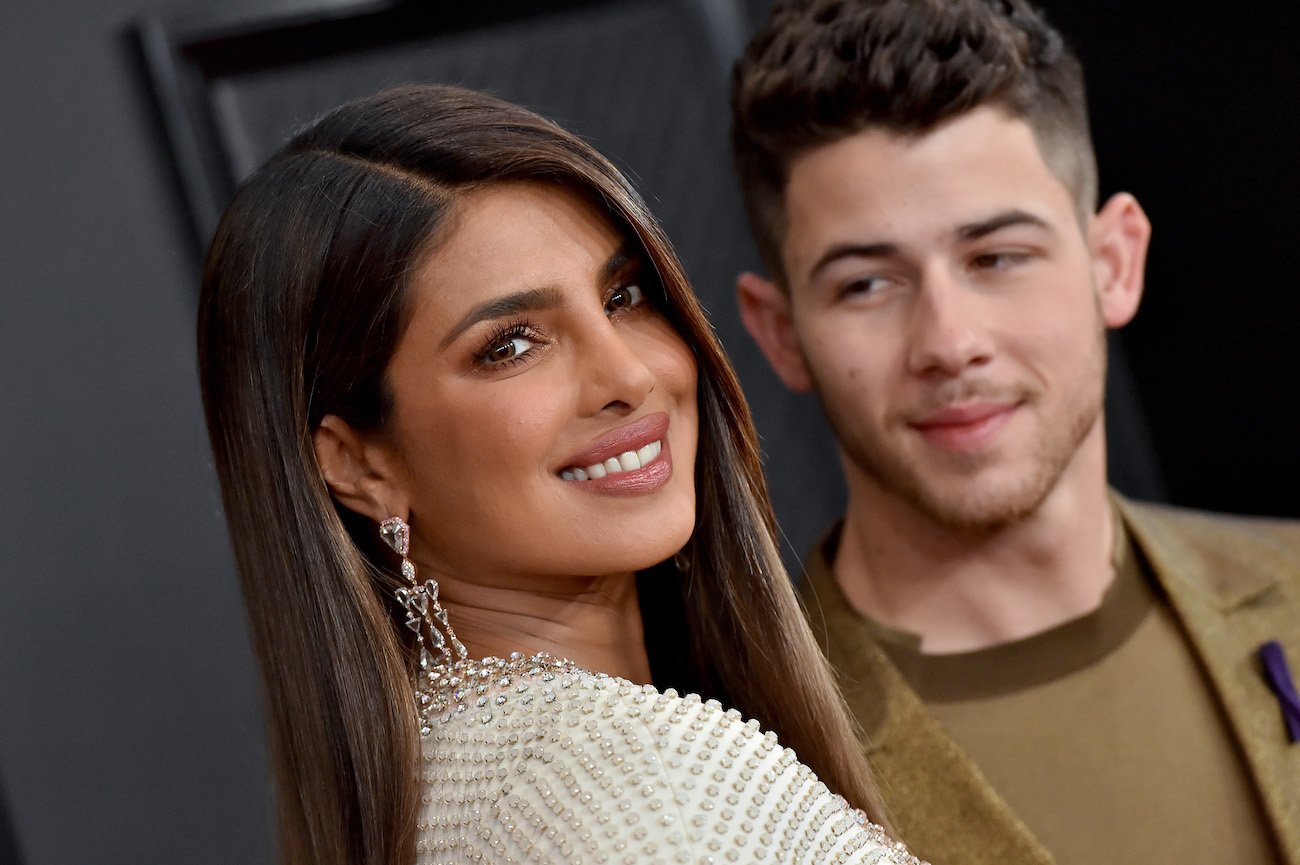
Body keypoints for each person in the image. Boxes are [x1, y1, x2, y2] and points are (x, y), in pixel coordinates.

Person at [196, 84, 928, 865]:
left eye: (625, 296)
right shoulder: (629, 774)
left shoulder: (442, 788)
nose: (629, 374)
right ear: (358, 463)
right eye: (511, 344)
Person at [728, 1, 1300, 864]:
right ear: (779, 332)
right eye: (866, 285)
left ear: (1115, 263)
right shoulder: (738, 767)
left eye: (997, 258)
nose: (950, 343)